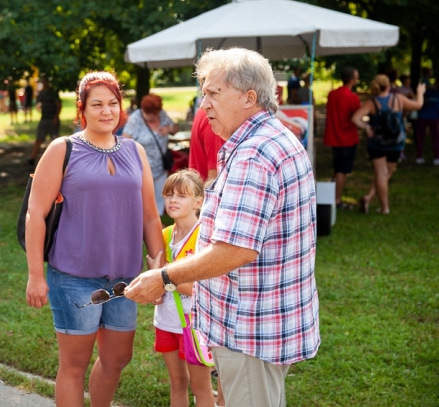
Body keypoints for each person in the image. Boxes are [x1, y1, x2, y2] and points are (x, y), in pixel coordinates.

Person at [125, 48, 320, 407]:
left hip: (250, 331)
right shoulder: (270, 139)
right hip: (262, 326)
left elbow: (236, 249)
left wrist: (164, 276)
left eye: (214, 93)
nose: (204, 105)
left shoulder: (254, 154)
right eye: (204, 93)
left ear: (250, 97)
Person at [24, 71, 165, 407]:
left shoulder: (135, 150)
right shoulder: (63, 148)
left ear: (121, 107)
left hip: (125, 281)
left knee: (117, 359)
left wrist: (160, 267)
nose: (106, 111)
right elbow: (36, 214)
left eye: (112, 103)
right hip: (74, 277)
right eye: (97, 104)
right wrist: (35, 275)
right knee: (74, 366)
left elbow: (150, 215)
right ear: (82, 109)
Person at [154, 169, 220, 407]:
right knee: (177, 383)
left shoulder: (206, 237)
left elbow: (200, 288)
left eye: (181, 195)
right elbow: (155, 286)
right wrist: (156, 288)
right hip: (165, 322)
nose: (173, 200)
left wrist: (163, 279)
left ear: (198, 202)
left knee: (201, 387)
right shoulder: (163, 235)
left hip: (195, 324)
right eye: (169, 194)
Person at [351, 74, 425, 214]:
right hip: (396, 143)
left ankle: (374, 201)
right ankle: (382, 206)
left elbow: (355, 118)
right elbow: (418, 105)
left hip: (377, 144)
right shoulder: (398, 99)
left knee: (381, 174)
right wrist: (420, 92)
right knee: (386, 174)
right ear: (389, 85)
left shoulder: (371, 103)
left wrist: (366, 127)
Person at [122, 93, 178, 215]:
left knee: (159, 197)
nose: (153, 116)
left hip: (160, 166)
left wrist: (169, 129)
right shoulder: (136, 119)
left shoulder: (162, 115)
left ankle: (157, 221)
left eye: (155, 114)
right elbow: (125, 142)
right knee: (143, 200)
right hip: (142, 168)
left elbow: (175, 128)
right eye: (150, 114)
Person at [323, 67, 361, 209]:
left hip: (334, 137)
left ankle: (333, 196)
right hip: (347, 138)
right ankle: (337, 200)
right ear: (352, 80)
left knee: (337, 167)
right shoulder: (352, 98)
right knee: (342, 170)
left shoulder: (332, 94)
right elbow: (357, 115)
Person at [27, 78, 62, 166]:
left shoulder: (53, 92)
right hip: (44, 118)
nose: (45, 83)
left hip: (52, 118)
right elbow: (38, 103)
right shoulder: (41, 92)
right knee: (39, 138)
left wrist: (56, 117)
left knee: (55, 140)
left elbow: (58, 105)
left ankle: (58, 161)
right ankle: (32, 159)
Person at [189, 106, 224, 185]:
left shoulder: (204, 112)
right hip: (204, 190)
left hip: (197, 188)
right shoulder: (213, 119)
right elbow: (214, 178)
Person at [415, 78, 439, 165]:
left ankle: (419, 157)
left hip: (423, 116)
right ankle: (436, 158)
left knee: (421, 137)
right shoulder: (433, 93)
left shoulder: (425, 93)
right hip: (432, 117)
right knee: (435, 138)